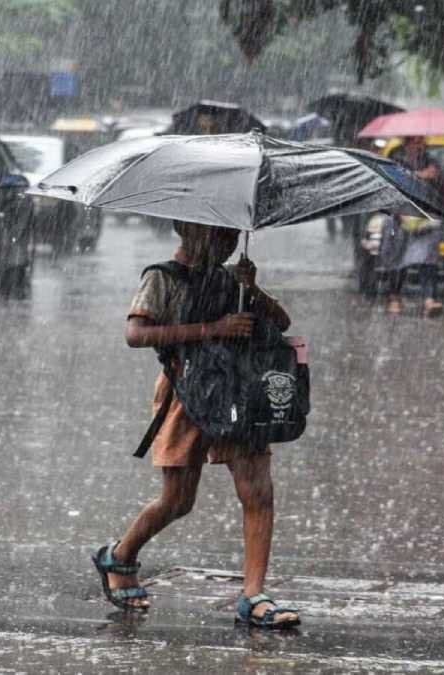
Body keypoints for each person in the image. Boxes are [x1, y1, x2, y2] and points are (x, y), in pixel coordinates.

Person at [92, 220, 300, 629]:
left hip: (238, 394)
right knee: (178, 500)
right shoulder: (161, 278)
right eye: (219, 235)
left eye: (232, 235)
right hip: (184, 395)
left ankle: (253, 595)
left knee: (257, 490)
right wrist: (211, 330)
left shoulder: (230, 280)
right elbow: (136, 333)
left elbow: (282, 322)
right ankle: (119, 555)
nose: (227, 243)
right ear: (187, 229)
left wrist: (251, 288)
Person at [379, 137, 444, 315]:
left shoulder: (433, 164)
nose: (417, 146)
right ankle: (394, 297)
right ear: (406, 144)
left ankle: (429, 299)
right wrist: (419, 176)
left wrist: (436, 178)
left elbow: (443, 193)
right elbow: (390, 189)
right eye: (413, 142)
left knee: (428, 261)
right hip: (400, 220)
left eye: (420, 142)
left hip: (426, 221)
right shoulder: (395, 161)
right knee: (399, 260)